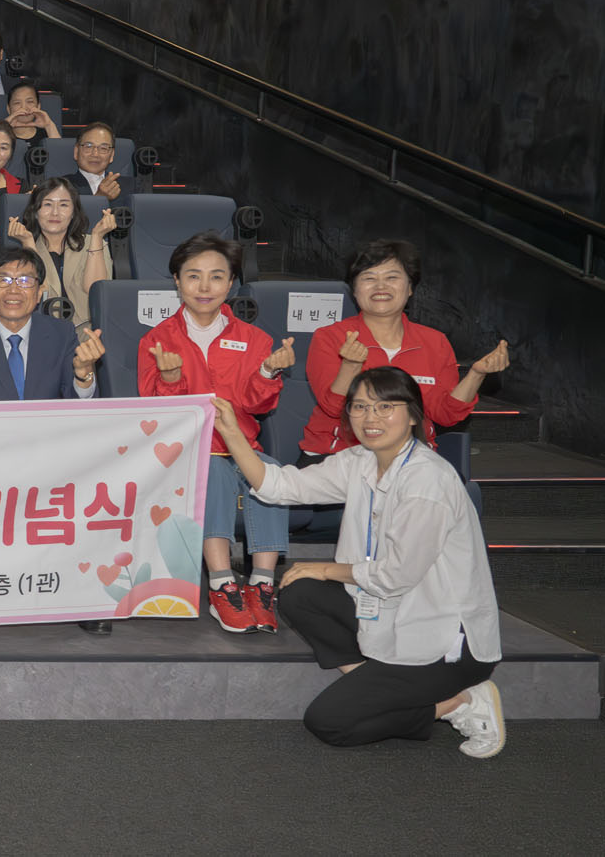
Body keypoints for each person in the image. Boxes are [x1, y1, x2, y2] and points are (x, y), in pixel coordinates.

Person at [213, 374, 506, 756]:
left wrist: (325, 568)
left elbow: (396, 575)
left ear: (413, 415)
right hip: (387, 616)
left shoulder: (427, 481)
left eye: (385, 406)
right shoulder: (360, 461)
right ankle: (378, 684)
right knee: (299, 593)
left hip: (444, 644)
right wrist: (232, 433)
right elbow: (281, 486)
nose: (371, 417)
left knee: (329, 722)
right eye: (361, 407)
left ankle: (458, 703)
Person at [140, 233, 294, 634]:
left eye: (216, 276)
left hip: (241, 446)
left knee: (272, 473)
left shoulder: (254, 339)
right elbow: (155, 415)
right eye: (193, 276)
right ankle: (222, 583)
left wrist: (267, 372)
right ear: (177, 281)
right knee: (215, 471)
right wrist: (170, 379)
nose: (204, 287)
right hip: (185, 452)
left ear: (231, 284)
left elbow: (258, 407)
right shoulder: (157, 340)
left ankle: (262, 585)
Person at [300, 239, 511, 461]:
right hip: (339, 455)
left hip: (410, 458)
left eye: (392, 277)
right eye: (369, 278)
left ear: (410, 288)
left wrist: (476, 375)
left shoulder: (434, 342)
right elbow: (334, 409)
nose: (380, 286)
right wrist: (351, 365)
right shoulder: (330, 337)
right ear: (354, 290)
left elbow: (446, 414)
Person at [0, 246, 103, 404]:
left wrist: (84, 373)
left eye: (25, 281)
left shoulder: (61, 334)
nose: (13, 290)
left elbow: (79, 406)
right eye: (4, 280)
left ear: (39, 293)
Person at [11, 178, 117, 327]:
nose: (55, 213)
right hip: (42, 329)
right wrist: (28, 243)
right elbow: (39, 295)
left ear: (73, 212)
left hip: (87, 330)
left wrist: (97, 237)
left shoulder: (94, 242)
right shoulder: (26, 250)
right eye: (47, 204)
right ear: (35, 212)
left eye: (64, 205)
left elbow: (95, 290)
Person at [65, 121, 126, 198]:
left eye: (103, 148)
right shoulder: (61, 186)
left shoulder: (132, 186)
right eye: (88, 146)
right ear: (76, 151)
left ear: (111, 155)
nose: (95, 154)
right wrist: (100, 198)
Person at [3, 81, 56, 154]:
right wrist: (4, 126)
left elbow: (59, 156)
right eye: (17, 103)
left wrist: (49, 125)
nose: (24, 107)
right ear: (8, 109)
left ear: (38, 106)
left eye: (30, 102)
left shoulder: (47, 133)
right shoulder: (2, 133)